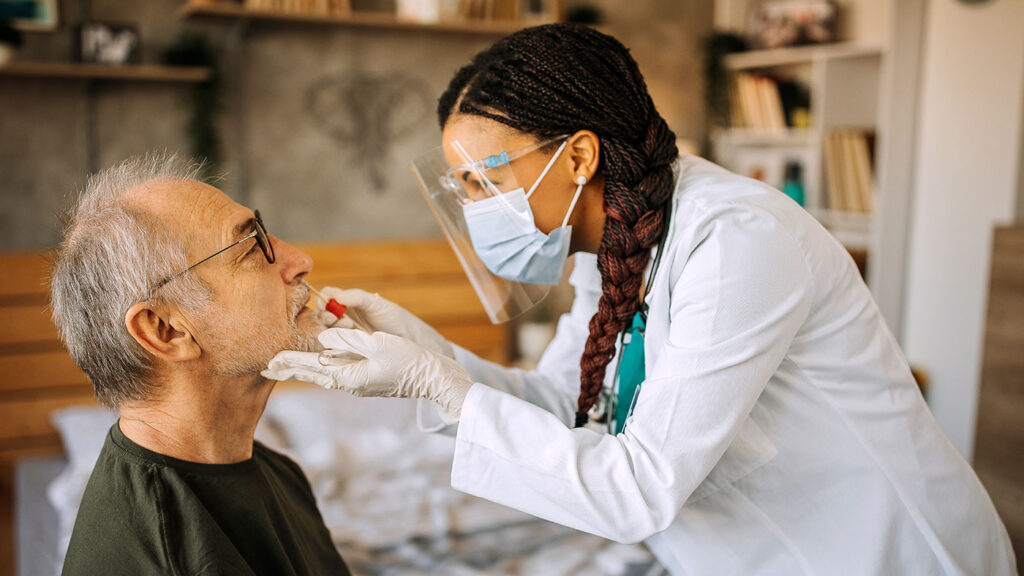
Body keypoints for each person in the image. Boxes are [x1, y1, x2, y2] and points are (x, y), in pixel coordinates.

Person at [264, 24, 1017, 575]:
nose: (472, 208)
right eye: (460, 190)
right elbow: (567, 402)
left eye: (482, 182)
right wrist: (429, 358)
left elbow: (639, 489)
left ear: (580, 155)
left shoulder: (737, 243)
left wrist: (446, 389)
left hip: (881, 555)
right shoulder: (613, 244)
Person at [51, 154, 350, 576]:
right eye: (250, 248)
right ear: (166, 330)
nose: (300, 260)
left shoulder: (273, 471)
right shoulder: (169, 557)